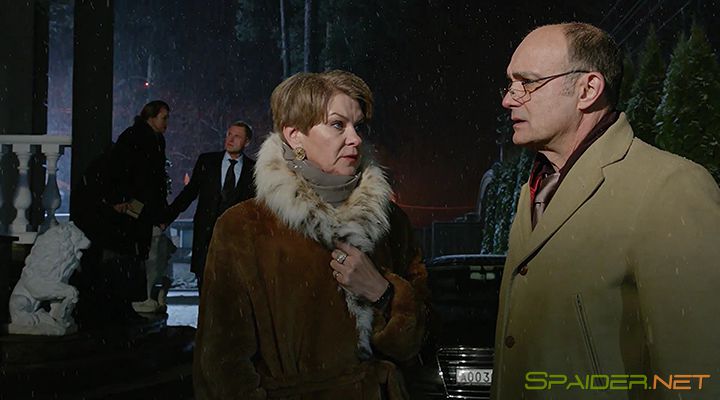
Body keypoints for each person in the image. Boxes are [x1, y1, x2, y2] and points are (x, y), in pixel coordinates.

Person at [492, 22, 720, 400]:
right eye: (510, 84)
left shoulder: (671, 187)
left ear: (588, 89)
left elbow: (699, 374)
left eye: (527, 83)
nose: (509, 99)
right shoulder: (531, 193)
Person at [193, 70, 428, 400]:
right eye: (338, 124)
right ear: (295, 136)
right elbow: (220, 369)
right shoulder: (244, 227)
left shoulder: (391, 222)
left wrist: (384, 293)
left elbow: (419, 345)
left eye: (358, 126)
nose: (355, 138)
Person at [162, 121, 256, 291]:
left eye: (237, 136)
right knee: (205, 288)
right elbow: (189, 193)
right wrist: (166, 218)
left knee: (233, 290)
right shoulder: (207, 162)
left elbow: (257, 206)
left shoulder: (253, 170)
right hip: (206, 236)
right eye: (229, 134)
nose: (230, 139)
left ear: (247, 142)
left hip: (237, 240)